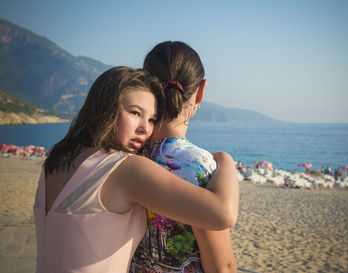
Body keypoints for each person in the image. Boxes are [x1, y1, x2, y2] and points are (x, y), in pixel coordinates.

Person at [33, 66, 239, 273]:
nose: (145, 128)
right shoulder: (125, 168)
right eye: (135, 113)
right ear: (105, 108)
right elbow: (222, 213)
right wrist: (226, 160)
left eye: (151, 119)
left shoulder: (56, 159)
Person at [132, 41, 237, 273]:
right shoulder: (199, 166)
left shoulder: (126, 154)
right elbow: (223, 267)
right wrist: (226, 160)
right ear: (200, 91)